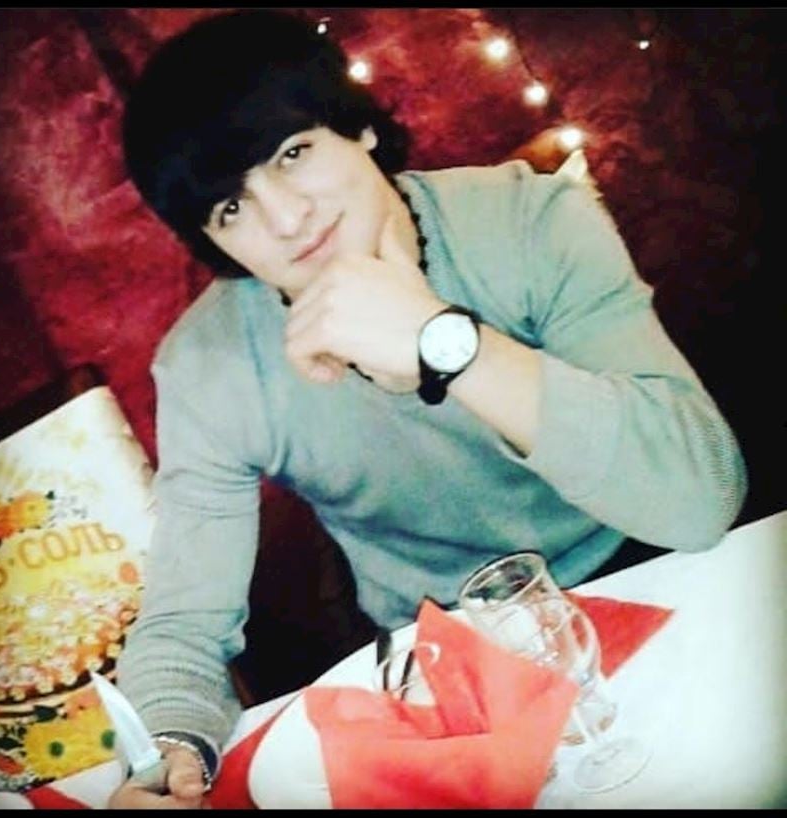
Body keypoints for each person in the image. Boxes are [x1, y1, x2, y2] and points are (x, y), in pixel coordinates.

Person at [111, 8, 747, 808]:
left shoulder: (529, 219)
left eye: (293, 153)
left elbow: (699, 498)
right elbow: (184, 621)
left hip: (647, 566)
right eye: (230, 208)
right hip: (444, 658)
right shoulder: (209, 366)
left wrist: (446, 342)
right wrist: (167, 753)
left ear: (358, 128)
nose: (285, 219)